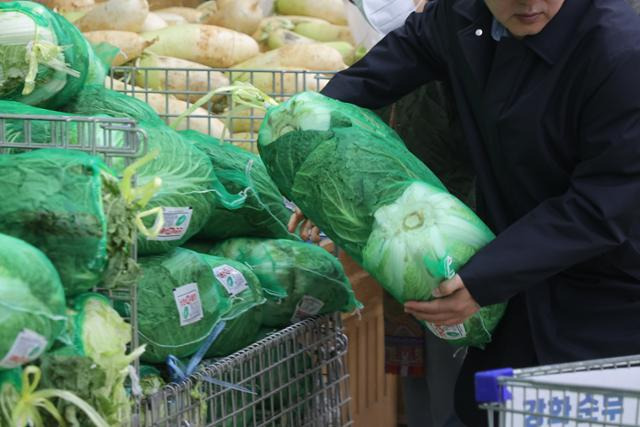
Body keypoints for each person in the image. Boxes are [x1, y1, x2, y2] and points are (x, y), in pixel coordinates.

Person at [290, 0, 640, 425]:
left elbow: (601, 204)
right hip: (515, 289)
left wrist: (483, 278)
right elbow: (378, 73)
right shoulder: (461, 18)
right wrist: (311, 159)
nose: (529, 3)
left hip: (603, 301)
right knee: (483, 413)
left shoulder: (621, 52)